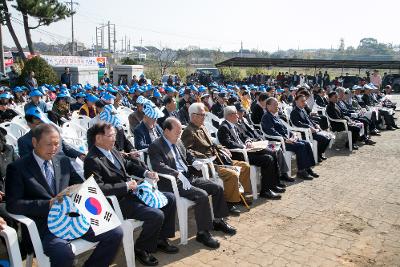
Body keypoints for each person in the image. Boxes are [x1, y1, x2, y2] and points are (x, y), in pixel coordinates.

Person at [6, 123, 123, 267]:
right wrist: (47, 204)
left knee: (115, 232)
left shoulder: (62, 161)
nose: (54, 149)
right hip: (44, 225)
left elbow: (80, 185)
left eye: (57, 144)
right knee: (63, 253)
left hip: (73, 218)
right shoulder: (18, 168)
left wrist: (79, 190)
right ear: (34, 142)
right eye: (49, 144)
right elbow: (12, 205)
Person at [84, 122, 178, 266]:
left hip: (133, 193)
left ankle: (160, 238)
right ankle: (141, 248)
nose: (114, 139)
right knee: (156, 215)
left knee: (170, 199)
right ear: (98, 138)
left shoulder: (112, 150)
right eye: (110, 135)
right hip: (118, 201)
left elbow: (128, 165)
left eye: (115, 135)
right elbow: (98, 188)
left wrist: (147, 172)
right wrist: (125, 186)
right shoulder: (92, 160)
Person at [149, 117, 236, 248]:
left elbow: (186, 154)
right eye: (177, 132)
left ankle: (218, 220)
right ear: (166, 131)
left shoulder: (177, 141)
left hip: (189, 177)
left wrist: (195, 160)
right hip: (175, 182)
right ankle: (203, 233)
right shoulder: (156, 146)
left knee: (217, 188)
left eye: (179, 132)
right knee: (201, 195)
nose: (179, 135)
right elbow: (158, 166)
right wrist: (176, 173)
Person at [181, 103, 251, 215]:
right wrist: (204, 156)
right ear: (193, 116)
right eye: (202, 115)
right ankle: (230, 203)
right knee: (231, 174)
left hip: (218, 158)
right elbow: (186, 151)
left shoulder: (202, 127)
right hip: (208, 163)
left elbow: (211, 144)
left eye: (204, 115)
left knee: (244, 166)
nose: (204, 117)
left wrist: (221, 148)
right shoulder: (189, 131)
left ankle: (242, 195)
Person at [218, 106, 284, 199]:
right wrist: (244, 147)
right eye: (235, 114)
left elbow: (244, 136)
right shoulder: (223, 128)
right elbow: (228, 143)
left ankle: (273, 184)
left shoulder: (234, 125)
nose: (238, 116)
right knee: (267, 159)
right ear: (229, 116)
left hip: (248, 151)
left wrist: (248, 141)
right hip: (240, 155)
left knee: (272, 152)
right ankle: (265, 191)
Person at [262, 97, 317, 180]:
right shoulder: (266, 117)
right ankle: (301, 171)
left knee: (307, 143)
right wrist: (285, 139)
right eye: (275, 104)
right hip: (279, 142)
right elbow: (271, 131)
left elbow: (286, 129)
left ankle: (308, 168)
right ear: (268, 106)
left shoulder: (275, 116)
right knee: (301, 146)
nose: (277, 106)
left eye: (277, 104)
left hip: (288, 139)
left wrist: (293, 135)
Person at [18, 107, 84, 159]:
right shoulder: (24, 141)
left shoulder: (53, 132)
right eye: (38, 124)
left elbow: (66, 148)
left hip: (64, 165)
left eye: (43, 123)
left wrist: (80, 155)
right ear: (29, 124)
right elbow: (27, 163)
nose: (42, 126)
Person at [290, 94, 331, 162]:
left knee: (328, 137)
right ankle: (317, 154)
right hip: (305, 133)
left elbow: (309, 120)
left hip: (312, 130)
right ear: (296, 101)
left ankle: (319, 153)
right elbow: (297, 123)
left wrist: (316, 125)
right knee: (324, 139)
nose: (304, 103)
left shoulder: (302, 110)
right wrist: (309, 127)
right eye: (302, 101)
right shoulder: (294, 112)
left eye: (305, 101)